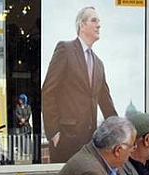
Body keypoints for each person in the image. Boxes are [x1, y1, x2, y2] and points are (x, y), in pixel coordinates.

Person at [42, 6, 117, 163]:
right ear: (82, 25)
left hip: (91, 144)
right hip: (65, 141)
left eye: (99, 21)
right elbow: (48, 91)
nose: (99, 25)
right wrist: (54, 133)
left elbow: (106, 103)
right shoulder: (65, 49)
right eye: (94, 20)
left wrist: (121, 131)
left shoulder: (99, 64)